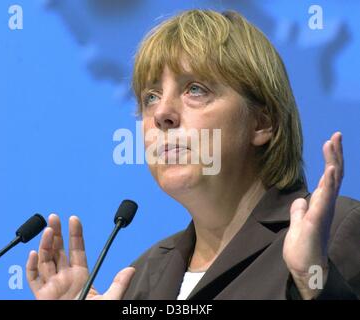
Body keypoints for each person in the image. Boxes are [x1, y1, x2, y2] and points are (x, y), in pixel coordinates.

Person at [25, 9, 360, 300]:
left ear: (262, 122)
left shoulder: (336, 231)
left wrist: (313, 285)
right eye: (151, 97)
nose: (161, 114)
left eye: (195, 89)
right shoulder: (142, 275)